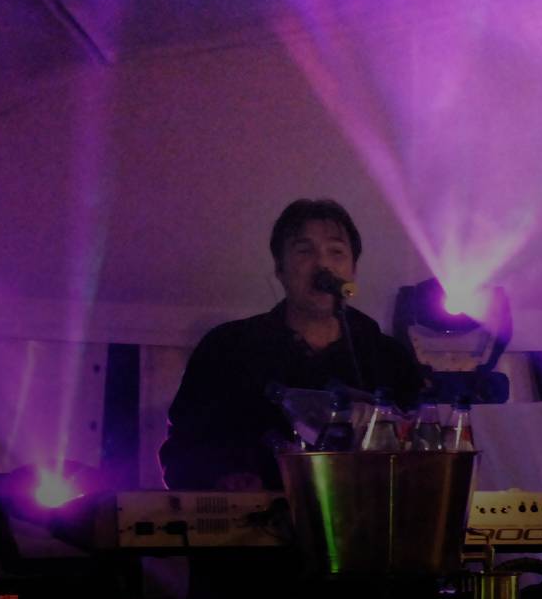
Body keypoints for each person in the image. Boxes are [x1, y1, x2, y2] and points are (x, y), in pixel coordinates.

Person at [160, 198, 426, 491]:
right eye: (304, 251)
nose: (322, 264)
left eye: (336, 252)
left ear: (353, 270)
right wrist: (222, 480)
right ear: (280, 268)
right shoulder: (227, 348)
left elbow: (420, 454)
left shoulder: (388, 358)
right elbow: (184, 449)